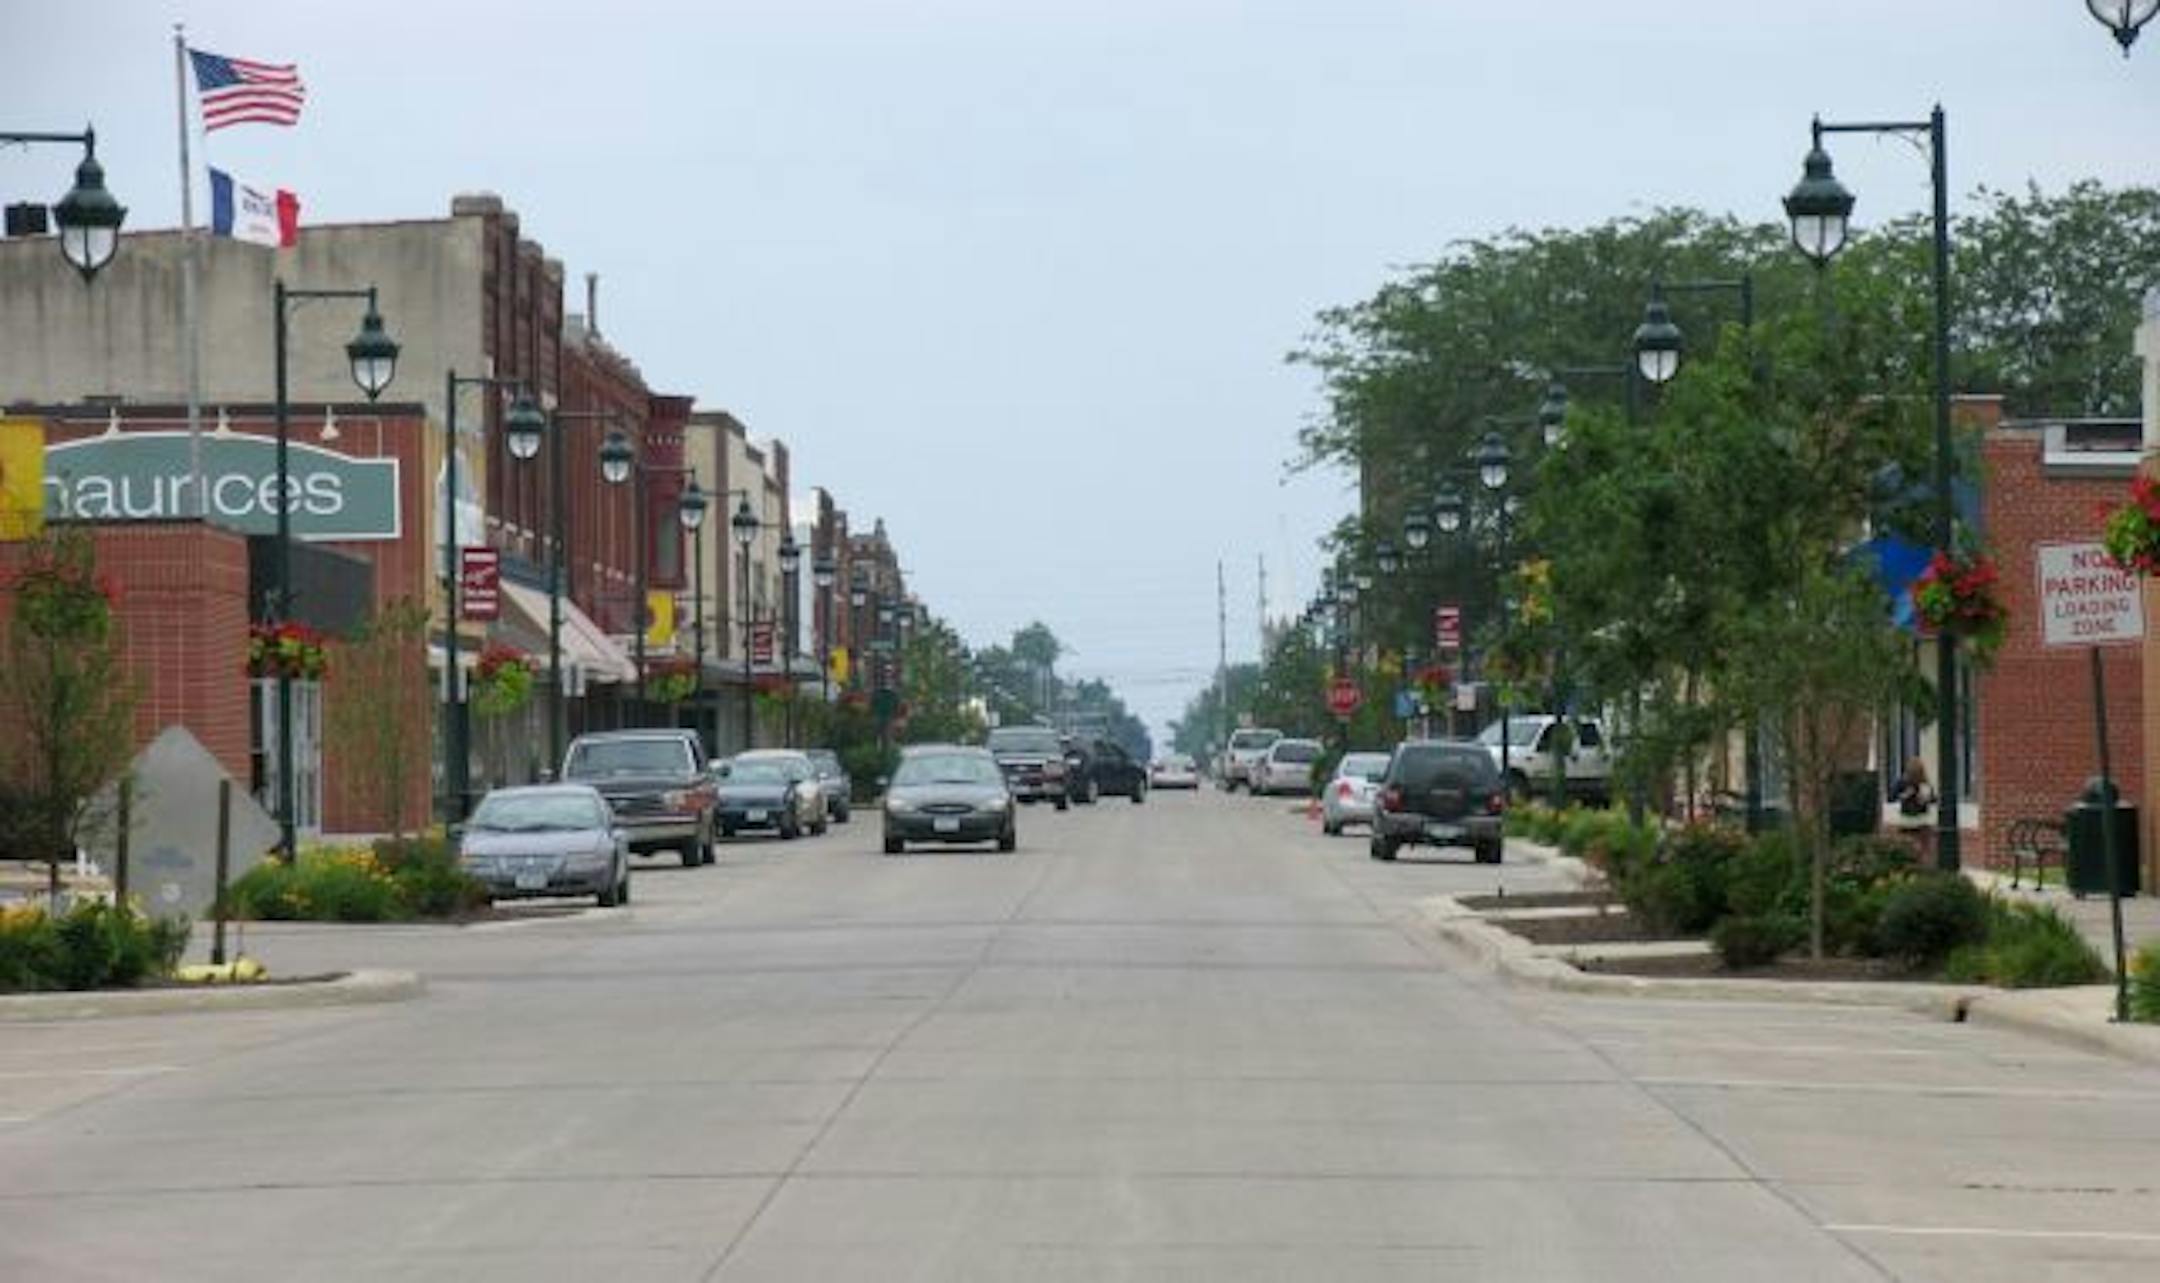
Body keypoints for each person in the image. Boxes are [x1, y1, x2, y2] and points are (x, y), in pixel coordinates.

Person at [1891, 757, 1937, 860]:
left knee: (1919, 844)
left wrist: (1926, 799)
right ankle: (1919, 860)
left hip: (1919, 818)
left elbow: (1933, 799)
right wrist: (1905, 795)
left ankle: (1918, 860)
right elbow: (1892, 797)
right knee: (1918, 845)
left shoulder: (1924, 784)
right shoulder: (1903, 783)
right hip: (1910, 818)